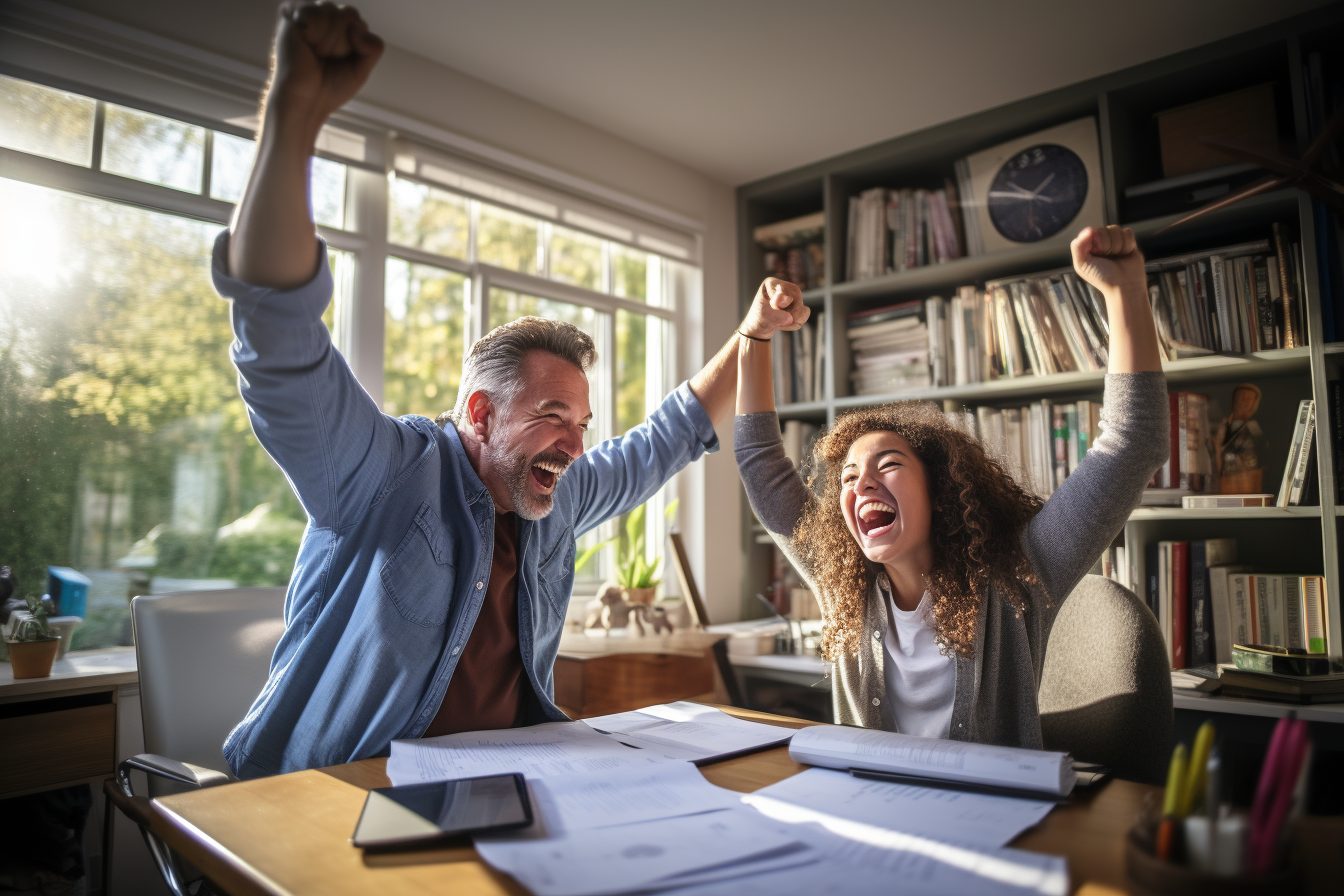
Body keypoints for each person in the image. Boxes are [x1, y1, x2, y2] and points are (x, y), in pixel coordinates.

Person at [215, 1, 806, 777]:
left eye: (583, 421)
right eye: (553, 414)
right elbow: (280, 335)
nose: (575, 440)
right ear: (481, 413)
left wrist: (753, 332)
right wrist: (293, 113)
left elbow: (671, 432)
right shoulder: (381, 473)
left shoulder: (553, 494)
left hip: (500, 787)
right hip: (328, 797)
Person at [734, 225, 1169, 747]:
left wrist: (1125, 292)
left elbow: (1131, 443)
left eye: (887, 464)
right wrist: (755, 337)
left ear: (940, 488)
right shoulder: (843, 585)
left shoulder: (1021, 575)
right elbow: (763, 466)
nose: (861, 483)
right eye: (848, 476)